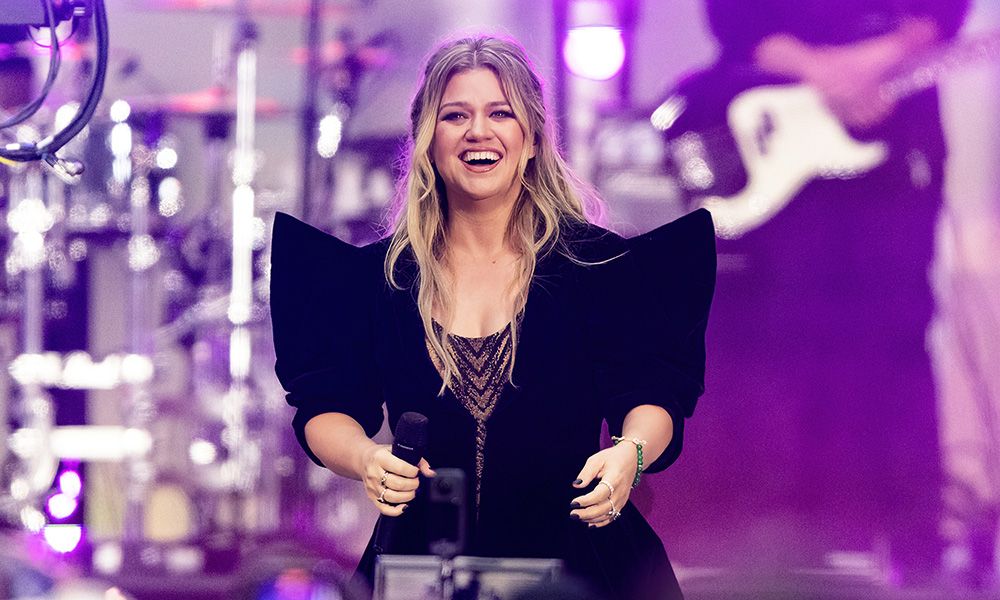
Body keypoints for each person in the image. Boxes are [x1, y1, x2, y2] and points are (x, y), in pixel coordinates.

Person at [270, 35, 716, 600]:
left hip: (580, 568)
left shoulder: (598, 267)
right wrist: (365, 458)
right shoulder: (380, 279)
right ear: (428, 140)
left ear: (532, 139)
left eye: (500, 113)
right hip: (422, 568)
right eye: (455, 115)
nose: (478, 131)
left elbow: (652, 393)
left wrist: (632, 453)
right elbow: (325, 405)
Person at [678, 0, 969, 584]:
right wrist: (821, 70)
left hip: (895, 132)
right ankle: (770, 540)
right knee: (772, 337)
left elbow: (945, 10)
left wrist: (880, 56)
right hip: (783, 133)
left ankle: (900, 540)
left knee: (897, 334)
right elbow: (731, 16)